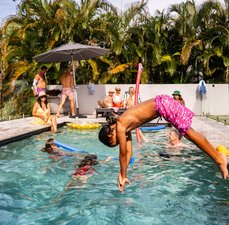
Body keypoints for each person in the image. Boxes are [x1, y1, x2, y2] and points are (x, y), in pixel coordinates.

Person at [98, 94, 228, 192]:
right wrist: (123, 175)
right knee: (189, 134)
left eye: (115, 143)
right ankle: (217, 157)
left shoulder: (121, 125)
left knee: (189, 134)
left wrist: (122, 174)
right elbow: (129, 152)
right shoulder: (126, 127)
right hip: (163, 103)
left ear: (111, 134)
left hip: (163, 105)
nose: (119, 143)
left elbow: (122, 154)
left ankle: (219, 159)